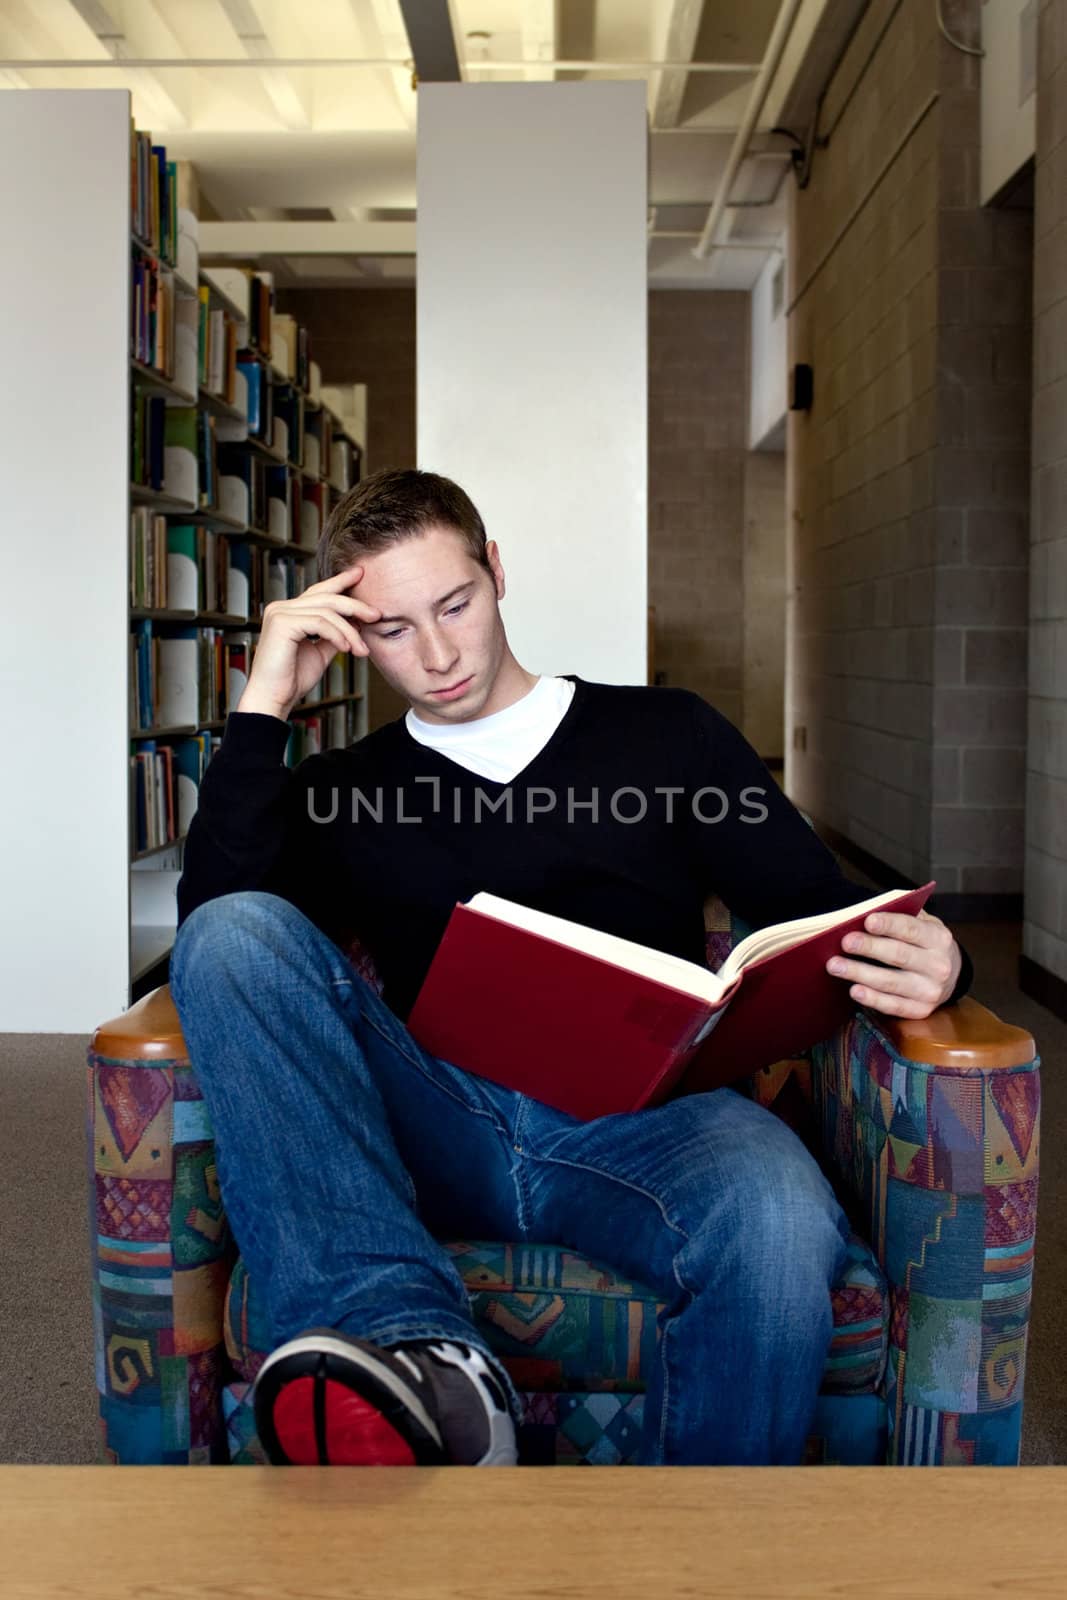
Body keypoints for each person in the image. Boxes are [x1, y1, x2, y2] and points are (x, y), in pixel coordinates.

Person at [171, 467, 973, 1470]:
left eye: (453, 605)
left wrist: (940, 955)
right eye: (390, 630)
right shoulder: (343, 789)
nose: (434, 652)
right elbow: (213, 937)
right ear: (349, 636)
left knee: (774, 1213)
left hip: (656, 1128)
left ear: (495, 571)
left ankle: (698, 1562)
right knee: (235, 932)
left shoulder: (664, 736)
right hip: (438, 1118)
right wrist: (265, 702)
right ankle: (420, 1359)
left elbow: (816, 912)